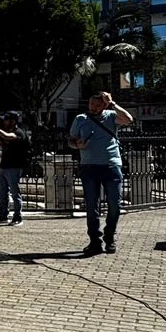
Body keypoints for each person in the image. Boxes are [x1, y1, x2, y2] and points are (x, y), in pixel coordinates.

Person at [69, 92, 134, 255]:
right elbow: (71, 139)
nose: (93, 108)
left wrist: (113, 104)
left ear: (104, 106)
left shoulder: (112, 116)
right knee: (91, 207)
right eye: (91, 104)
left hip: (111, 166)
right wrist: (77, 145)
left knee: (115, 204)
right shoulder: (80, 119)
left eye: (97, 105)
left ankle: (110, 237)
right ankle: (94, 241)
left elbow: (128, 120)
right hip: (89, 167)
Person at [0, 111, 31, 225]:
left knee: (15, 192)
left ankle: (17, 217)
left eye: (6, 120)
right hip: (4, 166)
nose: (4, 122)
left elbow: (7, 136)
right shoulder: (6, 133)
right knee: (3, 193)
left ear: (13, 121)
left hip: (14, 167)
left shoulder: (19, 133)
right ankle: (3, 215)